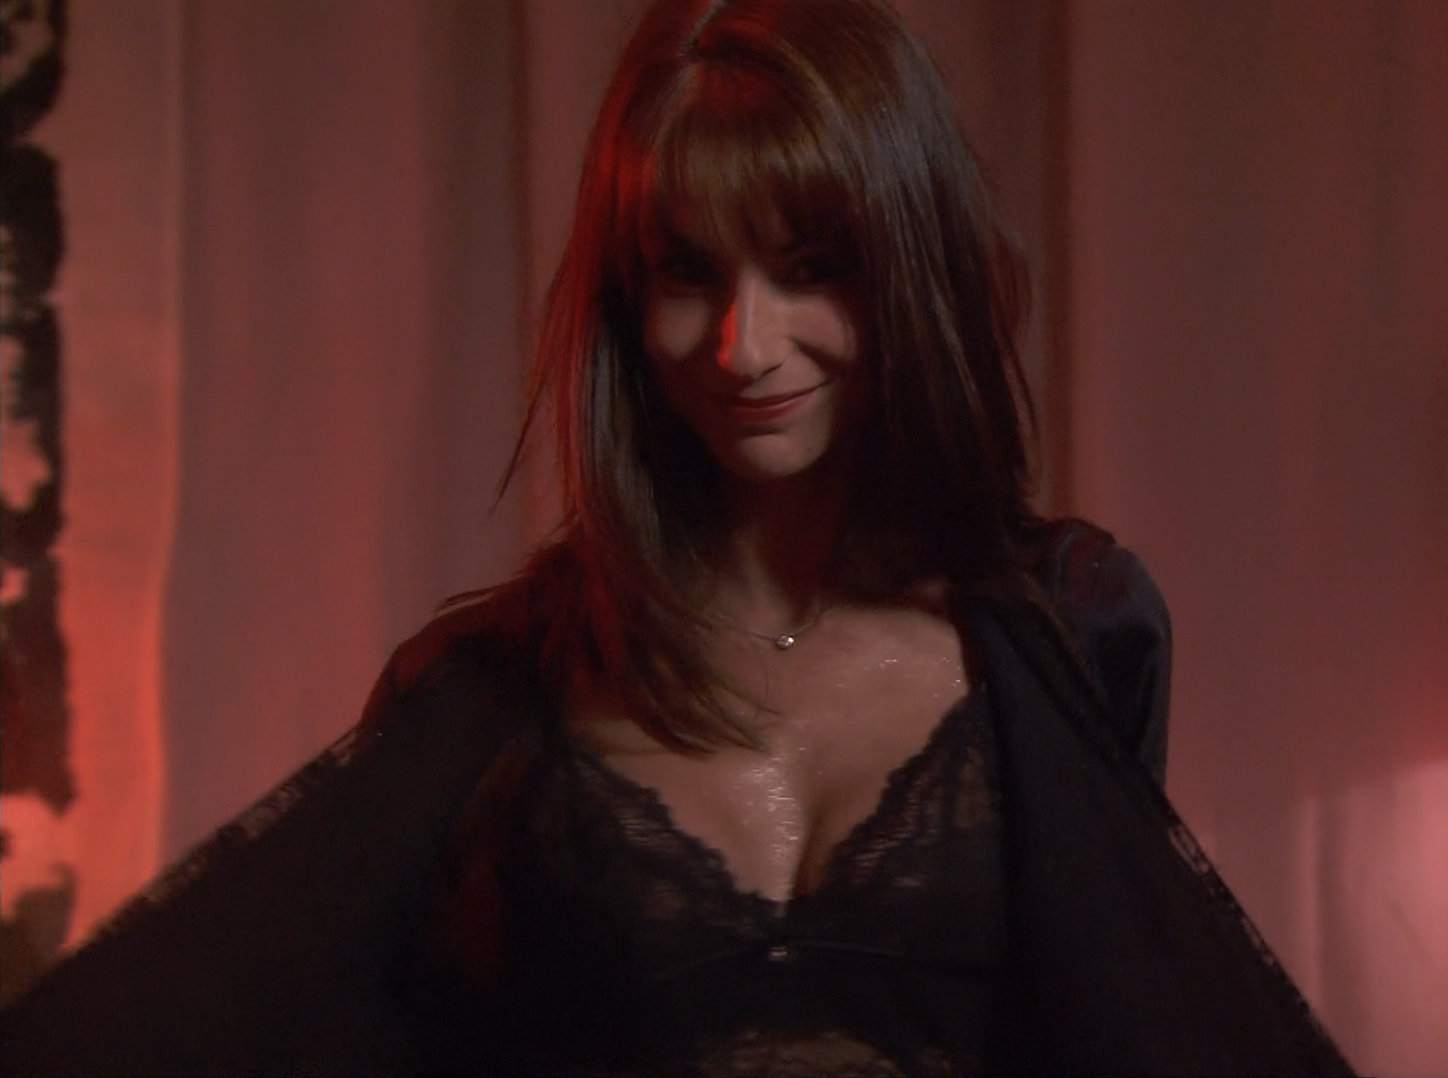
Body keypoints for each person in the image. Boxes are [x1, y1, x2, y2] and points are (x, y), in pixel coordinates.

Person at [0, 0, 1355, 1074]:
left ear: (910, 265)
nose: (743, 345)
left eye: (810, 268)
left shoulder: (1077, 628)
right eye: (688, 272)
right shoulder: (478, 699)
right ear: (624, 303)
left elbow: (1125, 1028)